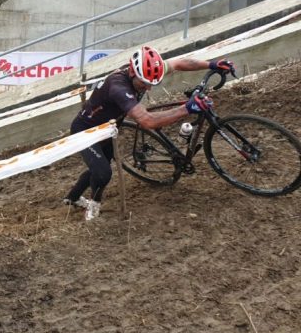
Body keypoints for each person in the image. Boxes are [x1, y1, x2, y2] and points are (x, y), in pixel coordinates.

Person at [64, 45, 235, 221]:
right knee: (103, 173)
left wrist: (212, 64)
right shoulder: (118, 88)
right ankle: (94, 204)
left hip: (106, 129)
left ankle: (72, 197)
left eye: (153, 83)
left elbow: (178, 63)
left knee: (99, 166)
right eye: (144, 83)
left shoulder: (143, 71)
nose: (148, 88)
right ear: (132, 72)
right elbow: (148, 121)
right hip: (85, 131)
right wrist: (187, 109)